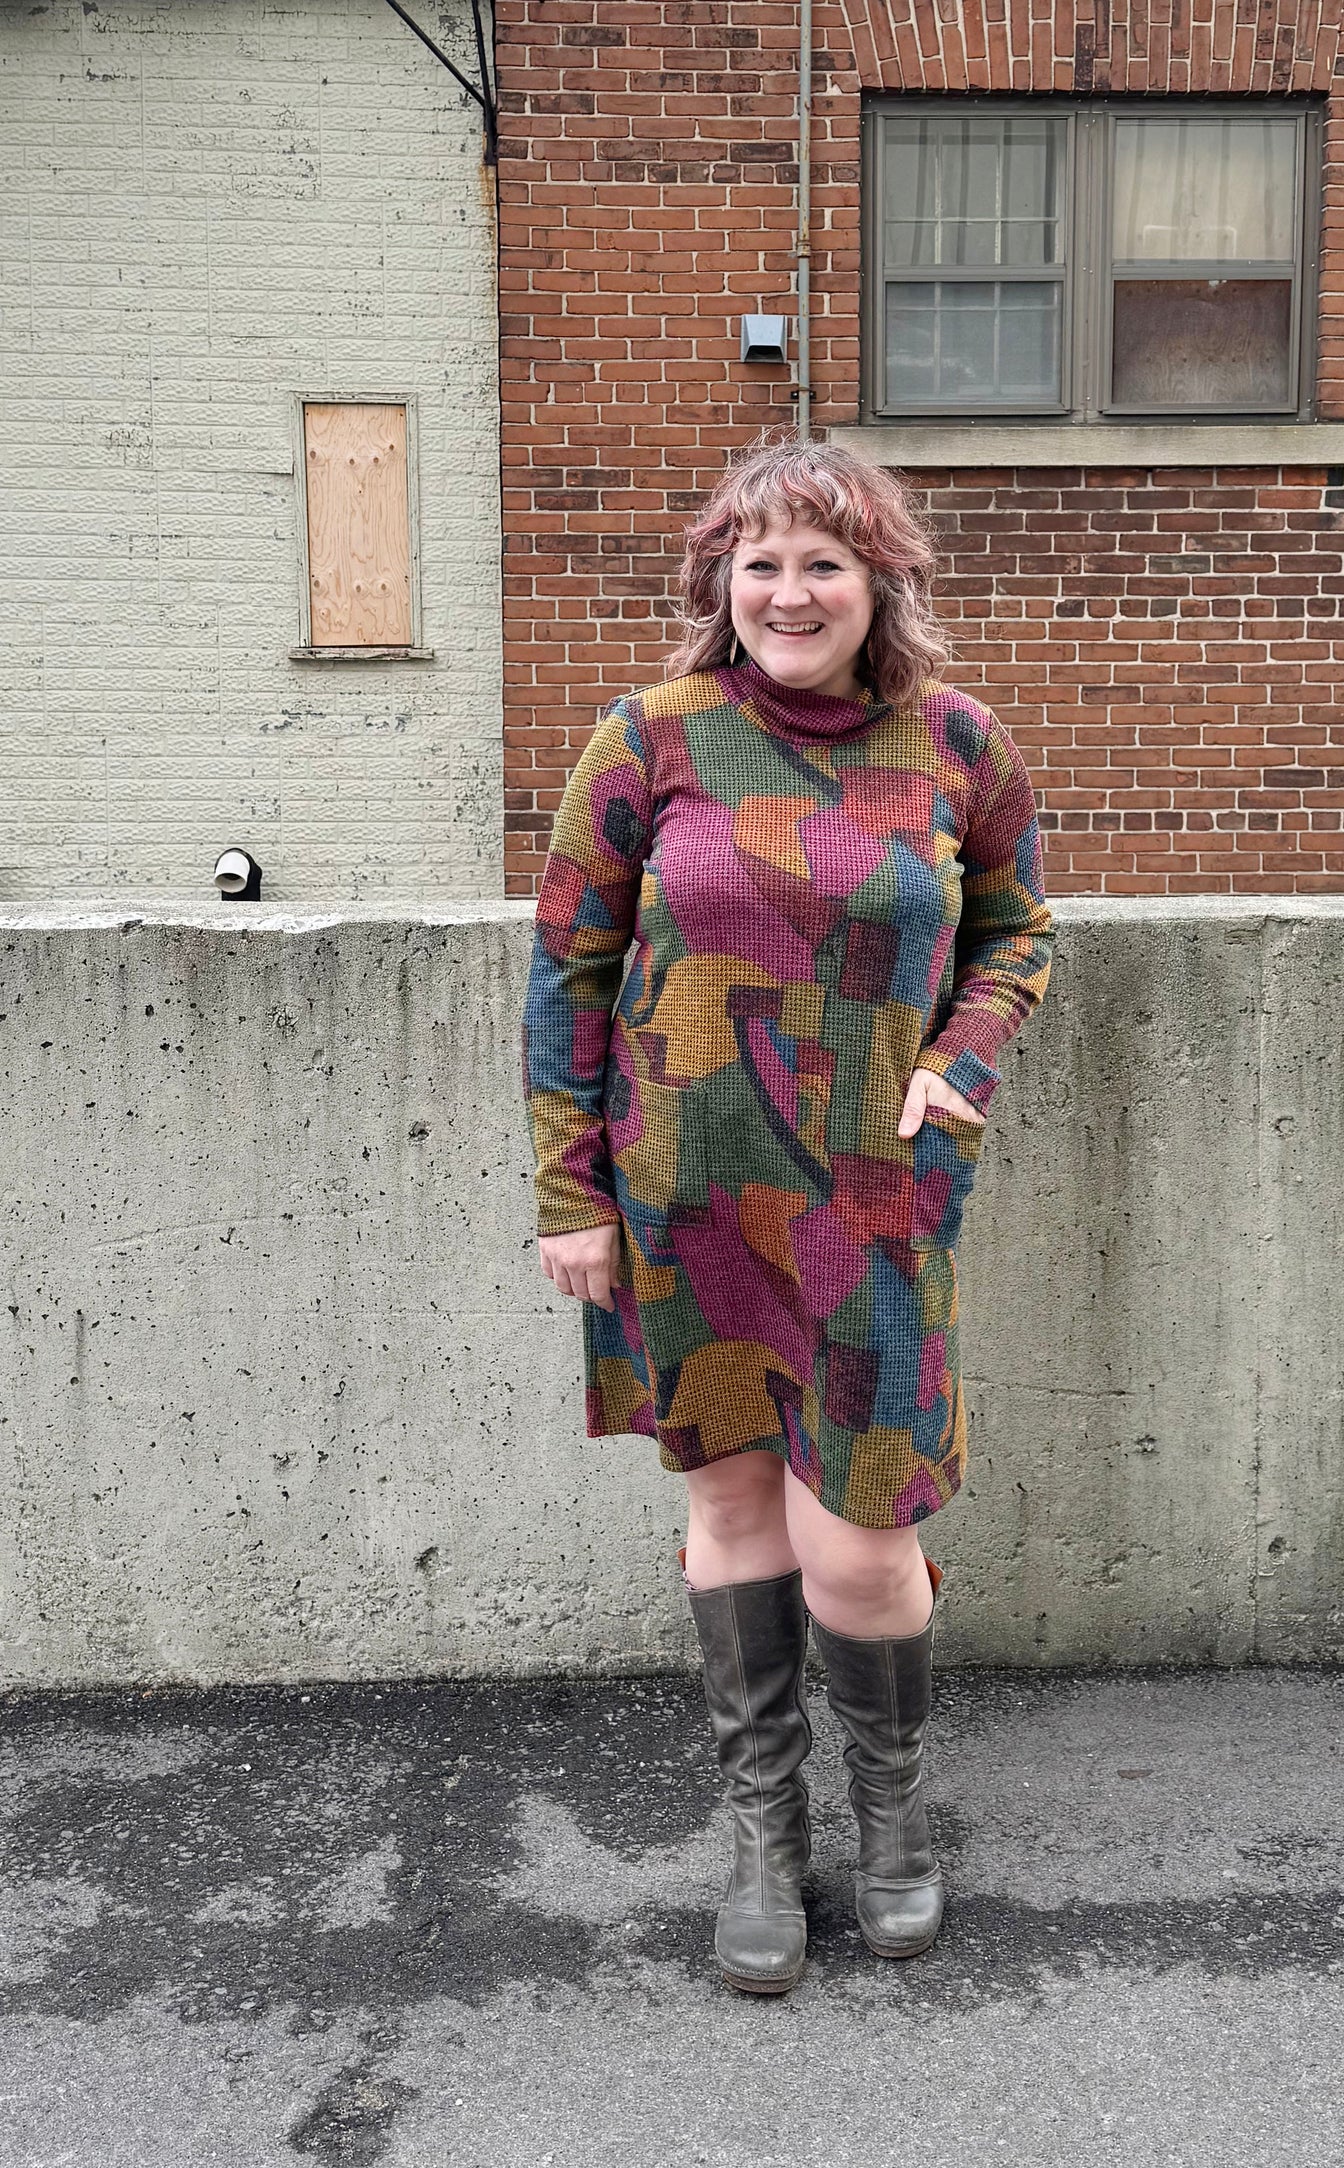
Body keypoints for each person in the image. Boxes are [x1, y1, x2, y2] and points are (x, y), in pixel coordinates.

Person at [521, 433, 1054, 1995]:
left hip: (873, 1208)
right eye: (759, 561)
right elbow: (566, 973)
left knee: (862, 1549)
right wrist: (571, 1190)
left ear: (877, 578)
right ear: (720, 581)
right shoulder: (647, 740)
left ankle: (888, 1819)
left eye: (821, 559)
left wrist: (958, 1070)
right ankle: (766, 1832)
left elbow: (1019, 930)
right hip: (682, 1198)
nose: (788, 589)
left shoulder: (954, 744)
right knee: (733, 1517)